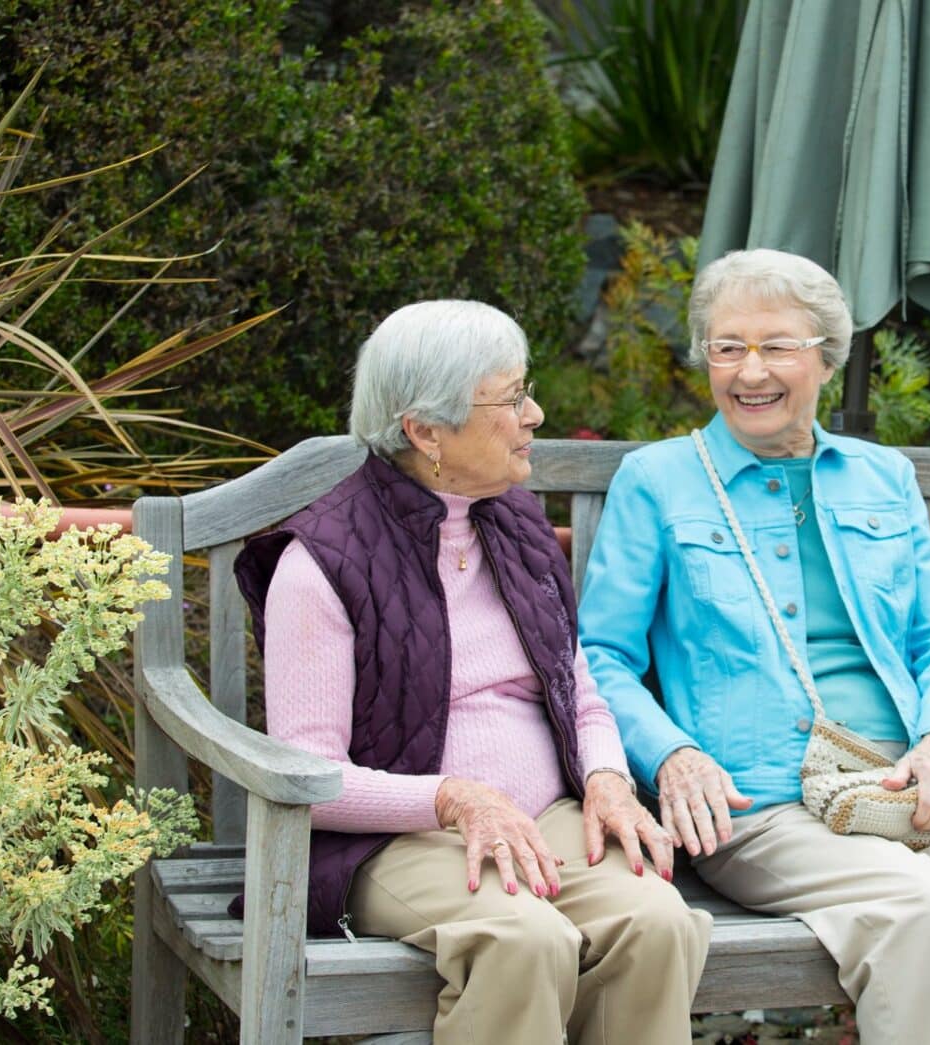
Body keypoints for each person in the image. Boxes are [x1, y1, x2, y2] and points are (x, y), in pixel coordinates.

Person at [578, 248, 930, 1045]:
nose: (749, 370)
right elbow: (601, 657)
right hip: (760, 804)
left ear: (826, 359)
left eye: (777, 346)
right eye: (727, 347)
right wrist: (670, 754)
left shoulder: (882, 477)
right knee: (917, 906)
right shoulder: (659, 481)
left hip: (900, 785)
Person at [234, 300, 711, 1044]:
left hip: (541, 816)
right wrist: (455, 799)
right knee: (523, 939)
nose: (535, 411)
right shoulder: (320, 563)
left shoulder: (514, 523)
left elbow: (578, 692)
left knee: (655, 918)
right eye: (511, 397)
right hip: (393, 843)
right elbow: (310, 775)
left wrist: (609, 779)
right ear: (425, 430)